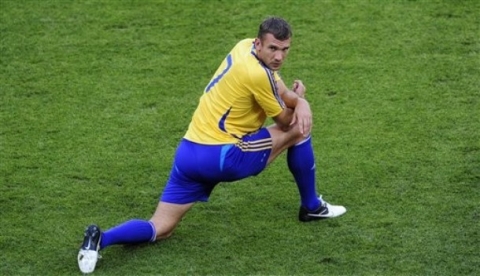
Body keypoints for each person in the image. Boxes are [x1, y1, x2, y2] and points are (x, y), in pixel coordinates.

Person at [77, 16, 346, 274]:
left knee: (161, 227)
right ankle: (311, 207)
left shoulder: (244, 47)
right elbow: (287, 120)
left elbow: (282, 92)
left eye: (285, 50)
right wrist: (303, 102)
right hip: (224, 156)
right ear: (259, 43)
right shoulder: (257, 74)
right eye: (273, 48)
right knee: (299, 129)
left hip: (189, 154)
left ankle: (100, 239)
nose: (279, 56)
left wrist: (295, 98)